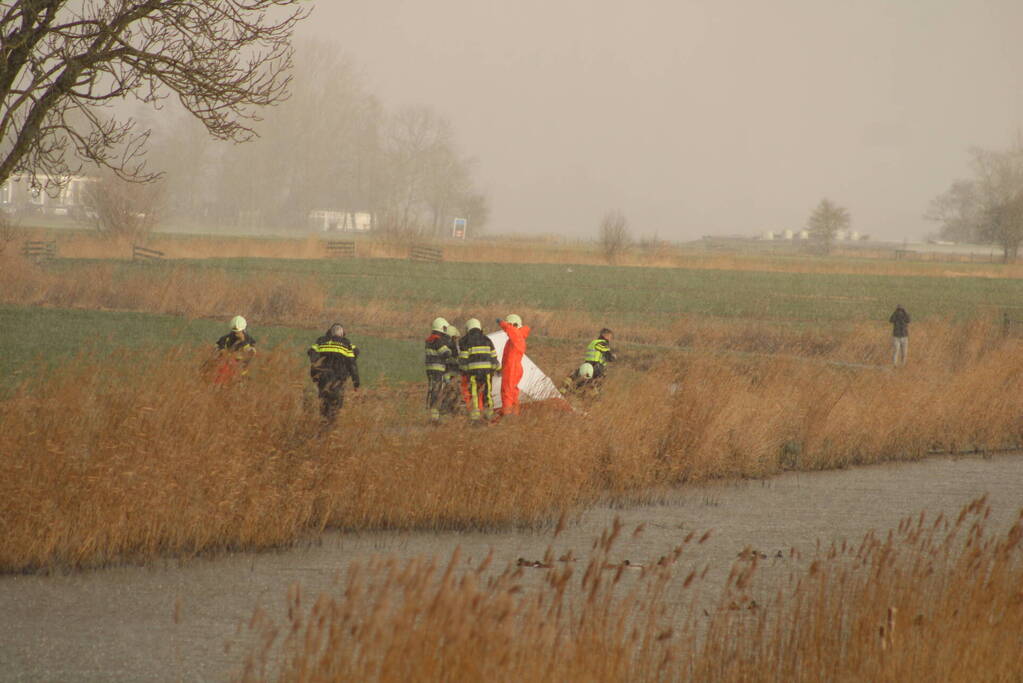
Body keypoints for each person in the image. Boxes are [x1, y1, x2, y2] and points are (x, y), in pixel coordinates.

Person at [307, 322, 360, 424]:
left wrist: (314, 376)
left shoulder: (321, 341)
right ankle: (331, 428)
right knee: (336, 406)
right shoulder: (346, 344)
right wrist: (356, 382)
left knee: (324, 404)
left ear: (330, 332)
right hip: (338, 380)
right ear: (342, 334)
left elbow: (312, 356)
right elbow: (352, 364)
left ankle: (323, 425)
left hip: (323, 379)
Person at [459, 318, 500, 423]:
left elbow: (463, 360)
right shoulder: (487, 340)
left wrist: (464, 371)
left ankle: (475, 415)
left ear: (468, 328)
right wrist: (498, 369)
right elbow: (494, 357)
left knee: (474, 393)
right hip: (487, 372)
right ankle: (489, 414)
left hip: (473, 372)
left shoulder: (466, 341)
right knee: (487, 392)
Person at [497, 313, 530, 416]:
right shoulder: (517, 337)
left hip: (512, 368)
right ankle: (514, 413)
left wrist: (502, 324)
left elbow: (511, 330)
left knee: (507, 391)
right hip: (513, 367)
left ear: (513, 325)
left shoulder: (517, 335)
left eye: (509, 325)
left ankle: (507, 415)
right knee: (513, 392)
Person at [211, 315, 256, 384]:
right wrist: (222, 353)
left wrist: (243, 341)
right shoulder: (224, 339)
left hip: (241, 374)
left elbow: (251, 354)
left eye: (238, 332)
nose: (236, 334)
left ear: (243, 330)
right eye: (235, 332)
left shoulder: (250, 341)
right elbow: (216, 352)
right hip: (224, 373)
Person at [424, 317, 453, 422]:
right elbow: (445, 353)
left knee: (433, 390)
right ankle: (435, 416)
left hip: (430, 369)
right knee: (437, 391)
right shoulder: (437, 340)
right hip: (438, 370)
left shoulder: (430, 340)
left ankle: (433, 414)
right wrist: (450, 348)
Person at [442, 324, 464, 415]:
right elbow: (457, 361)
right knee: (455, 394)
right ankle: (453, 412)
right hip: (454, 376)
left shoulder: (444, 345)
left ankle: (447, 411)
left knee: (448, 394)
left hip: (447, 375)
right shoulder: (453, 346)